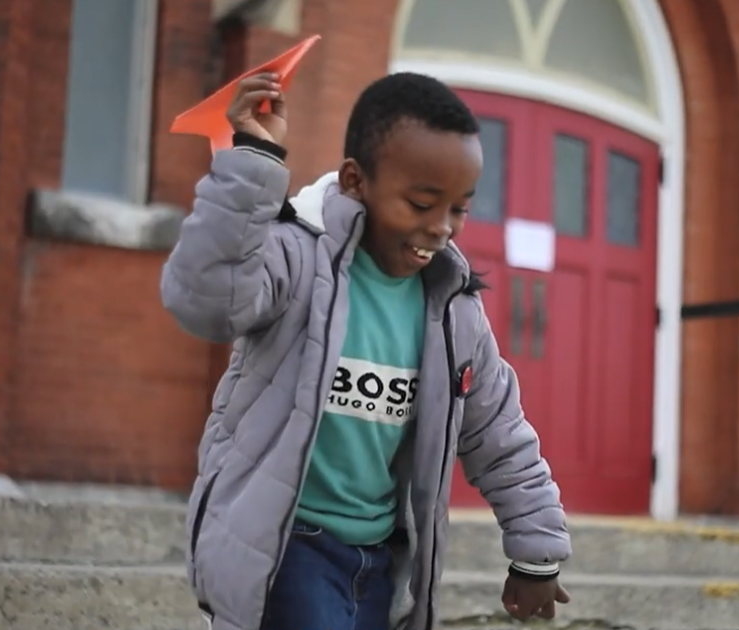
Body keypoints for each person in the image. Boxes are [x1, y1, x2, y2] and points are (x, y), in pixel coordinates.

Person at [160, 70, 571, 630]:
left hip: (380, 560)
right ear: (355, 181)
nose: (440, 228)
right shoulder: (297, 259)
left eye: (458, 208)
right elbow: (205, 301)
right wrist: (253, 161)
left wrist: (536, 550)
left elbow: (499, 433)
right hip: (288, 545)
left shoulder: (454, 312)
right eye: (421, 203)